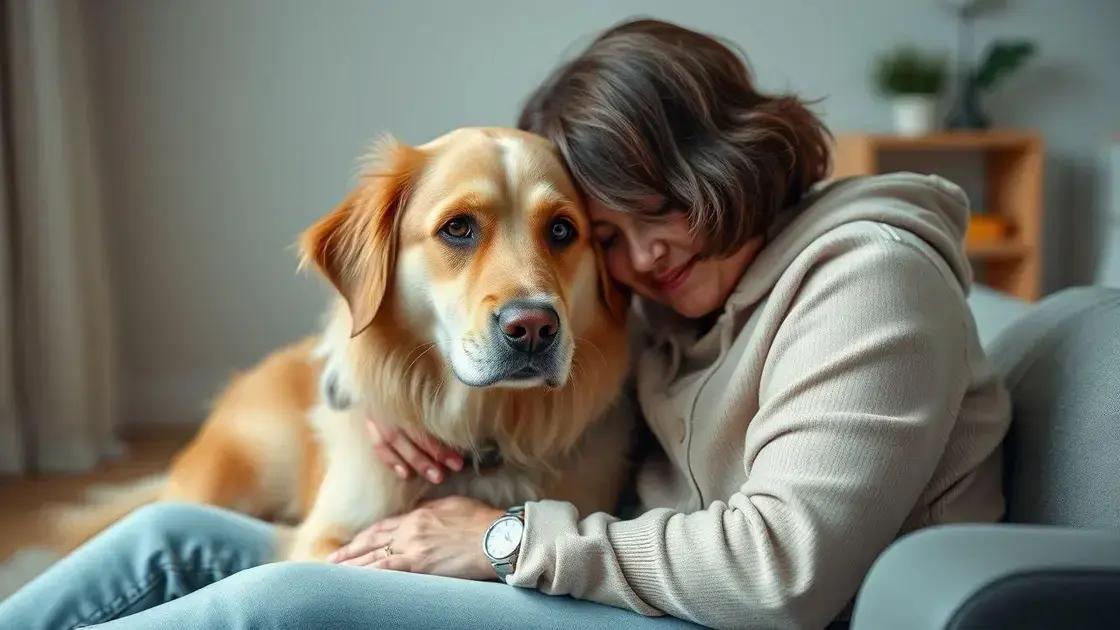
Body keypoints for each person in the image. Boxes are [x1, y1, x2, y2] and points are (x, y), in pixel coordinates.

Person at [0, 19, 1010, 630]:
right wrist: (356, 386)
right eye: (607, 233)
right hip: (634, 586)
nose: (644, 256)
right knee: (172, 534)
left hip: (723, 617)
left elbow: (781, 577)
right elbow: (451, 304)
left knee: (269, 611)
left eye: (667, 202)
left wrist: (504, 537)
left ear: (736, 157)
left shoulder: (867, 285)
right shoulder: (677, 289)